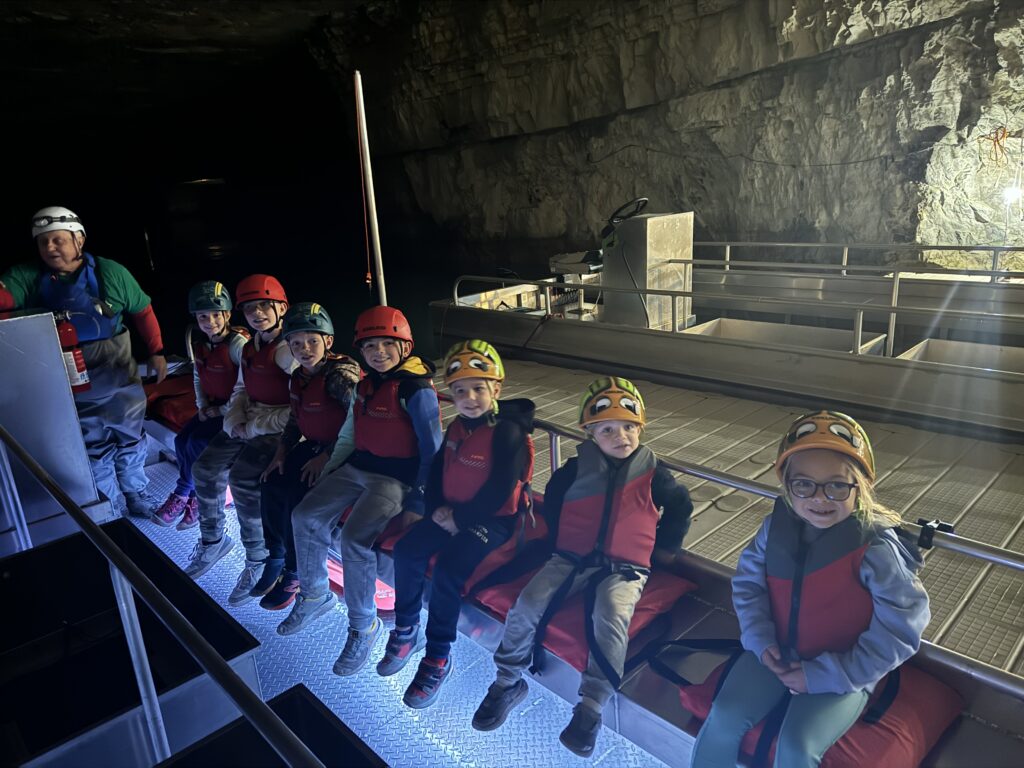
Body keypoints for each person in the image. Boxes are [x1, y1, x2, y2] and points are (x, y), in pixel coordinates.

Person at [688, 411, 930, 768]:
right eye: (804, 485)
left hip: (844, 669)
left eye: (837, 485)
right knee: (723, 717)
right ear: (787, 485)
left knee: (797, 747)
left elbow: (901, 631)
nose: (820, 499)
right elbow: (748, 586)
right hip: (775, 651)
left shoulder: (877, 550)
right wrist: (760, 640)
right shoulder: (775, 530)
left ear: (860, 485)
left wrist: (824, 675)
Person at [472, 376, 694, 758]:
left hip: (626, 568)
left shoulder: (655, 474)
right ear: (589, 432)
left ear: (641, 427)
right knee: (528, 603)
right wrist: (563, 541)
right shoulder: (573, 471)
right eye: (607, 429)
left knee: (610, 616)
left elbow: (680, 507)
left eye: (629, 427)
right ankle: (507, 681)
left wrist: (666, 550)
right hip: (570, 559)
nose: (620, 436)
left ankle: (591, 707)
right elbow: (556, 503)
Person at [279, 306, 443, 675]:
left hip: (394, 479)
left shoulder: (416, 390)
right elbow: (351, 436)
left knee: (355, 539)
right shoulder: (365, 386)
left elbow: (433, 449)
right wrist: (331, 469)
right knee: (304, 514)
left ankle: (363, 625)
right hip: (357, 467)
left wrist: (419, 499)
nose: (378, 352)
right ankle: (314, 593)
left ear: (405, 346)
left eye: (388, 344)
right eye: (370, 346)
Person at [379, 340, 535, 709]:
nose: (470, 397)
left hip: (492, 523)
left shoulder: (508, 433)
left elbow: (500, 490)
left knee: (449, 569)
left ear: (496, 389)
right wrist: (435, 510)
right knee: (407, 549)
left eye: (479, 388)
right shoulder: (457, 429)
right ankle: (406, 629)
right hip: (449, 513)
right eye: (460, 391)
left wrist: (460, 520)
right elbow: (436, 473)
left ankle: (438, 656)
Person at [0, 206, 166, 517]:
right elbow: (4, 299)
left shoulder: (110, 273)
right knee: (91, 444)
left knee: (130, 435)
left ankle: (137, 492)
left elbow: (142, 310)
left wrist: (156, 352)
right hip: (66, 375)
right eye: (42, 241)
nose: (49, 247)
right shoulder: (26, 277)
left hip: (117, 371)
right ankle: (111, 504)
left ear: (79, 239)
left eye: (57, 239)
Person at [184, 274, 297, 608]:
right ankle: (213, 539)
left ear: (281, 308)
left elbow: (299, 404)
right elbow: (242, 388)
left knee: (244, 479)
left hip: (279, 425)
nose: (258, 313)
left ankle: (258, 558)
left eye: (265, 306)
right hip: (251, 418)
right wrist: (233, 418)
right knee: (204, 468)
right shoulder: (250, 347)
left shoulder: (289, 350)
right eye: (250, 309)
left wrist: (255, 426)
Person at [256, 302, 361, 610]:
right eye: (296, 343)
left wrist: (326, 457)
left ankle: (295, 571)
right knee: (270, 482)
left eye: (312, 341)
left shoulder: (340, 376)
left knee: (294, 498)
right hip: (314, 444)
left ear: (328, 341)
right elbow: (294, 418)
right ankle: (274, 555)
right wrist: (281, 452)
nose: (305, 348)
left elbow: (358, 421)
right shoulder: (299, 376)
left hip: (343, 450)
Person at [152, 281, 249, 529]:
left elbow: (249, 385)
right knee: (181, 440)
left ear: (227, 314)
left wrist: (221, 410)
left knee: (198, 443)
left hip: (235, 410)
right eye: (203, 316)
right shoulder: (201, 344)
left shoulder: (237, 344)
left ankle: (187, 495)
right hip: (212, 407)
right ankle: (191, 495)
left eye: (216, 314)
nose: (210, 321)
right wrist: (201, 405)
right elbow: (198, 375)